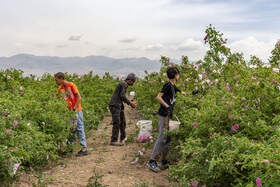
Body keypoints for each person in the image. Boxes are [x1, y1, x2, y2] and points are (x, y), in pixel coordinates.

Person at [147, 67, 186, 172]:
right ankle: (152, 161)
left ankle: (164, 161)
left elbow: (182, 93)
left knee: (168, 137)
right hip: (164, 114)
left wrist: (193, 93)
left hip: (169, 115)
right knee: (162, 136)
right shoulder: (168, 85)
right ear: (175, 75)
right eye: (178, 74)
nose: (179, 76)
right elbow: (158, 97)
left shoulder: (173, 87)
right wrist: (167, 106)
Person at [54, 72, 88, 157]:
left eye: (56, 80)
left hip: (77, 111)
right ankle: (70, 148)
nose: (56, 82)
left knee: (79, 128)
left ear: (61, 79)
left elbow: (79, 98)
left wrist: (74, 108)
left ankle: (84, 149)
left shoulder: (71, 85)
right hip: (69, 113)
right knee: (71, 130)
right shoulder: (60, 89)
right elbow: (55, 99)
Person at [109, 73, 137, 146]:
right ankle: (114, 140)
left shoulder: (123, 84)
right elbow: (122, 96)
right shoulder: (123, 84)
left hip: (118, 106)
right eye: (133, 82)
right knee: (117, 122)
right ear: (130, 80)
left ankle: (123, 138)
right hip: (115, 105)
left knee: (123, 122)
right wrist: (129, 103)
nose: (133, 83)